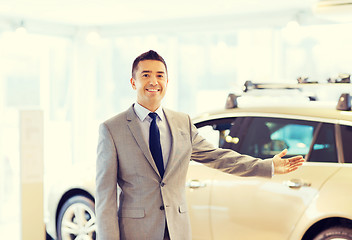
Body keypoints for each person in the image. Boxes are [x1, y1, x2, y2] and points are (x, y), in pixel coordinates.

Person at [95, 50, 304, 240]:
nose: (154, 81)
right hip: (135, 233)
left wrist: (267, 166)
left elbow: (219, 157)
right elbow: (105, 198)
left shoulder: (182, 123)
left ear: (167, 82)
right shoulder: (112, 129)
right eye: (146, 75)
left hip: (177, 230)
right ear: (133, 82)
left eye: (160, 75)